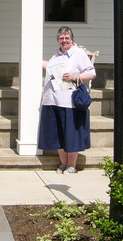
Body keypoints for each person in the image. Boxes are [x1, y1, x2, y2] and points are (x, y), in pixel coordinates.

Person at [39, 26, 96, 174]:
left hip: (69, 102)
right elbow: (50, 67)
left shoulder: (79, 54)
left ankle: (72, 165)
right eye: (61, 38)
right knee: (58, 134)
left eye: (66, 38)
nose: (64, 41)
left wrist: (75, 77)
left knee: (71, 135)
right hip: (52, 100)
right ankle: (63, 163)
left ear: (72, 39)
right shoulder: (56, 55)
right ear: (57, 40)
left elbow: (91, 73)